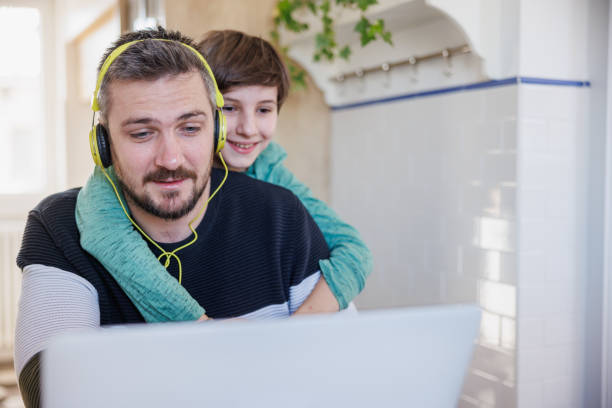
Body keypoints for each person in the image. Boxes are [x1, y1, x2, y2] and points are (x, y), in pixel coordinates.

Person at [14, 27, 331, 407]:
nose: (171, 158)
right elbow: (55, 391)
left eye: (190, 128)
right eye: (143, 133)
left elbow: (339, 368)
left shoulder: (282, 213)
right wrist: (225, 353)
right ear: (104, 145)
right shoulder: (57, 227)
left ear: (216, 131)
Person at [73, 29, 373, 322]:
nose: (248, 128)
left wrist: (296, 330)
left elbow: (355, 252)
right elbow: (105, 236)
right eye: (230, 107)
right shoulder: (112, 183)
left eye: (265, 110)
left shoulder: (270, 171)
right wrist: (202, 330)